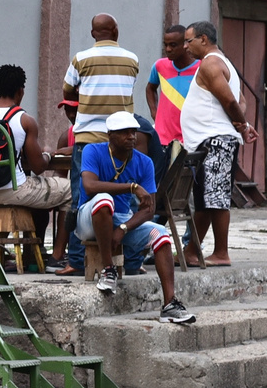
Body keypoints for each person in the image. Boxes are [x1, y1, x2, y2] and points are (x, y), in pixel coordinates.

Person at [77, 111, 196, 324]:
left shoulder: (145, 162)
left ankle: (170, 304)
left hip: (121, 219)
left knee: (161, 234)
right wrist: (132, 187)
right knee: (104, 200)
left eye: (133, 132)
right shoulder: (92, 151)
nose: (132, 136)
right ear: (110, 135)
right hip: (89, 217)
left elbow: (149, 209)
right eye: (125, 132)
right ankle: (108, 270)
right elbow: (89, 186)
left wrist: (123, 228)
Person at [182, 21, 254, 268]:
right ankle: (192, 251)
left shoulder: (211, 63)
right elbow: (241, 101)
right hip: (211, 141)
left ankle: (221, 252)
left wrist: (242, 127)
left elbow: (231, 102)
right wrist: (240, 122)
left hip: (216, 142)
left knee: (216, 198)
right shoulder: (225, 63)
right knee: (204, 198)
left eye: (188, 41)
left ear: (203, 39)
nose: (185, 47)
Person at [0, 65, 72, 220]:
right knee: (70, 189)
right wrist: (46, 153)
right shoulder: (25, 120)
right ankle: (61, 246)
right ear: (20, 91)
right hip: (14, 191)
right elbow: (38, 167)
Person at [62, 14, 141, 149]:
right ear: (116, 31)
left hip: (88, 137)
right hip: (121, 138)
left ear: (92, 34)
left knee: (85, 170)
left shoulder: (80, 59)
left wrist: (83, 98)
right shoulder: (132, 60)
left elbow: (67, 91)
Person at [147, 24, 200, 160]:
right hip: (163, 139)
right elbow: (150, 88)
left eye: (173, 45)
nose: (168, 49)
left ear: (185, 45)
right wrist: (154, 112)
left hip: (190, 138)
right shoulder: (160, 66)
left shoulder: (201, 68)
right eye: (166, 45)